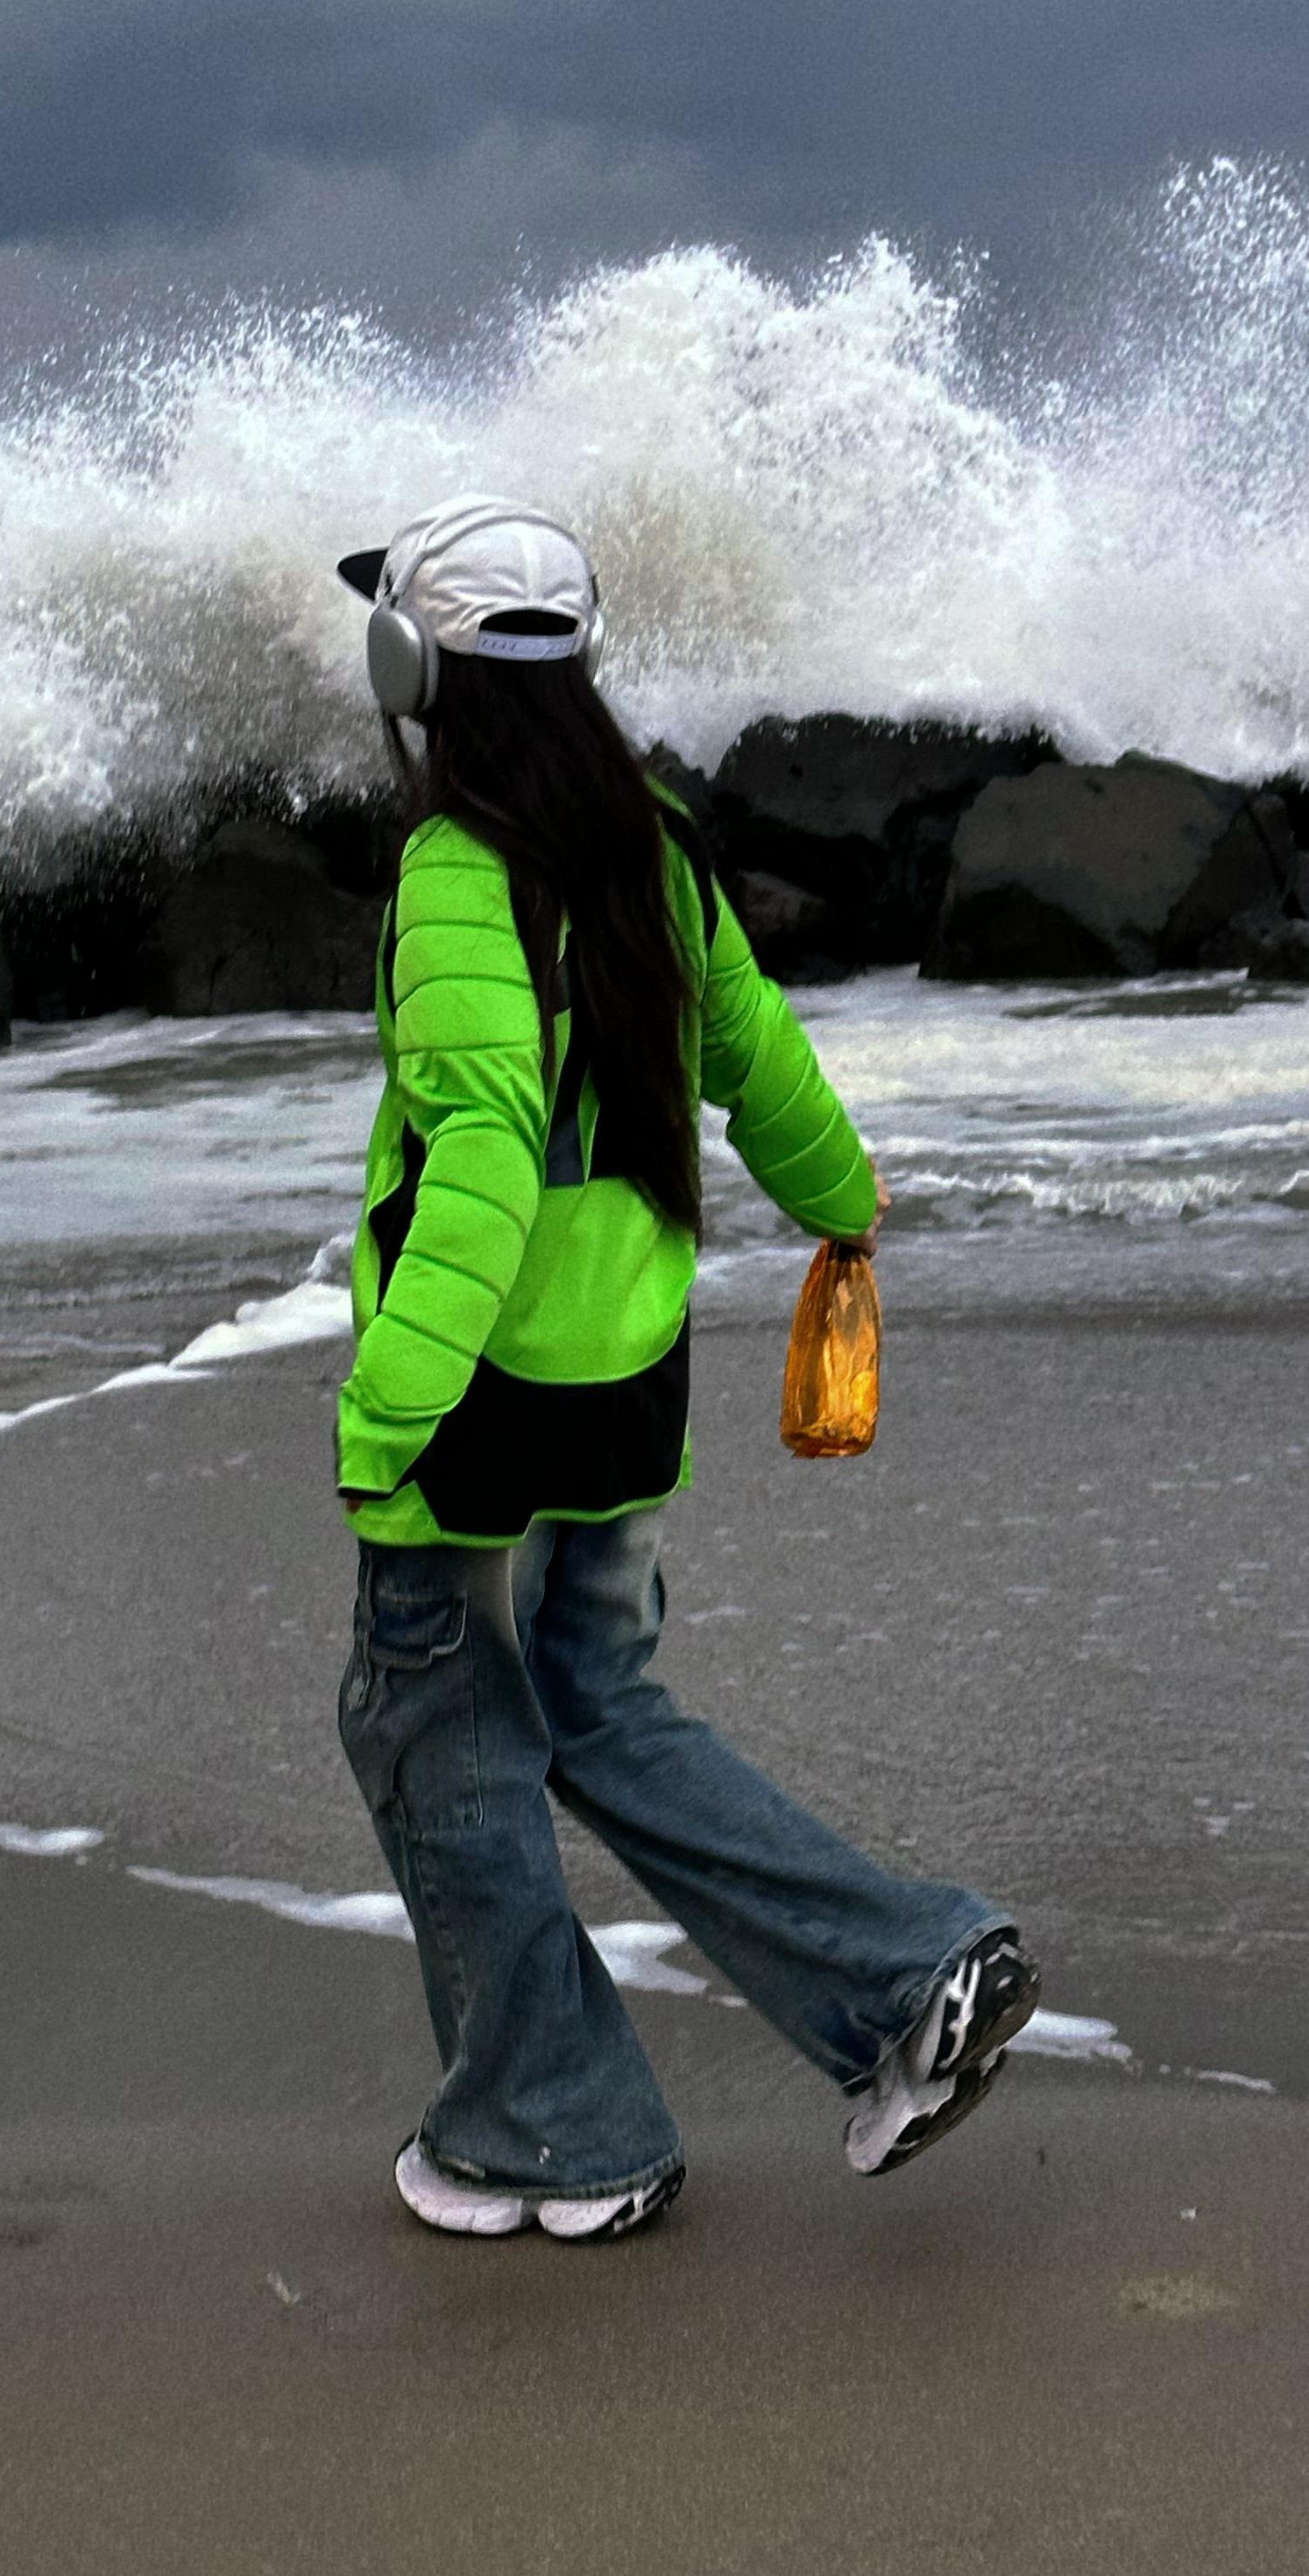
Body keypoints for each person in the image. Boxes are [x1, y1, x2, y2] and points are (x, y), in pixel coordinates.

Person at [332, 498, 1037, 2243]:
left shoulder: (452, 870)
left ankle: (558, 2128)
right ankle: (908, 1974)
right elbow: (754, 1051)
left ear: (412, 668)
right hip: (626, 1393)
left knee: (436, 1732)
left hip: (483, 1416)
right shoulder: (650, 837)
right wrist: (843, 1207)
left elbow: (483, 1154)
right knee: (595, 1710)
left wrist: (388, 1412)